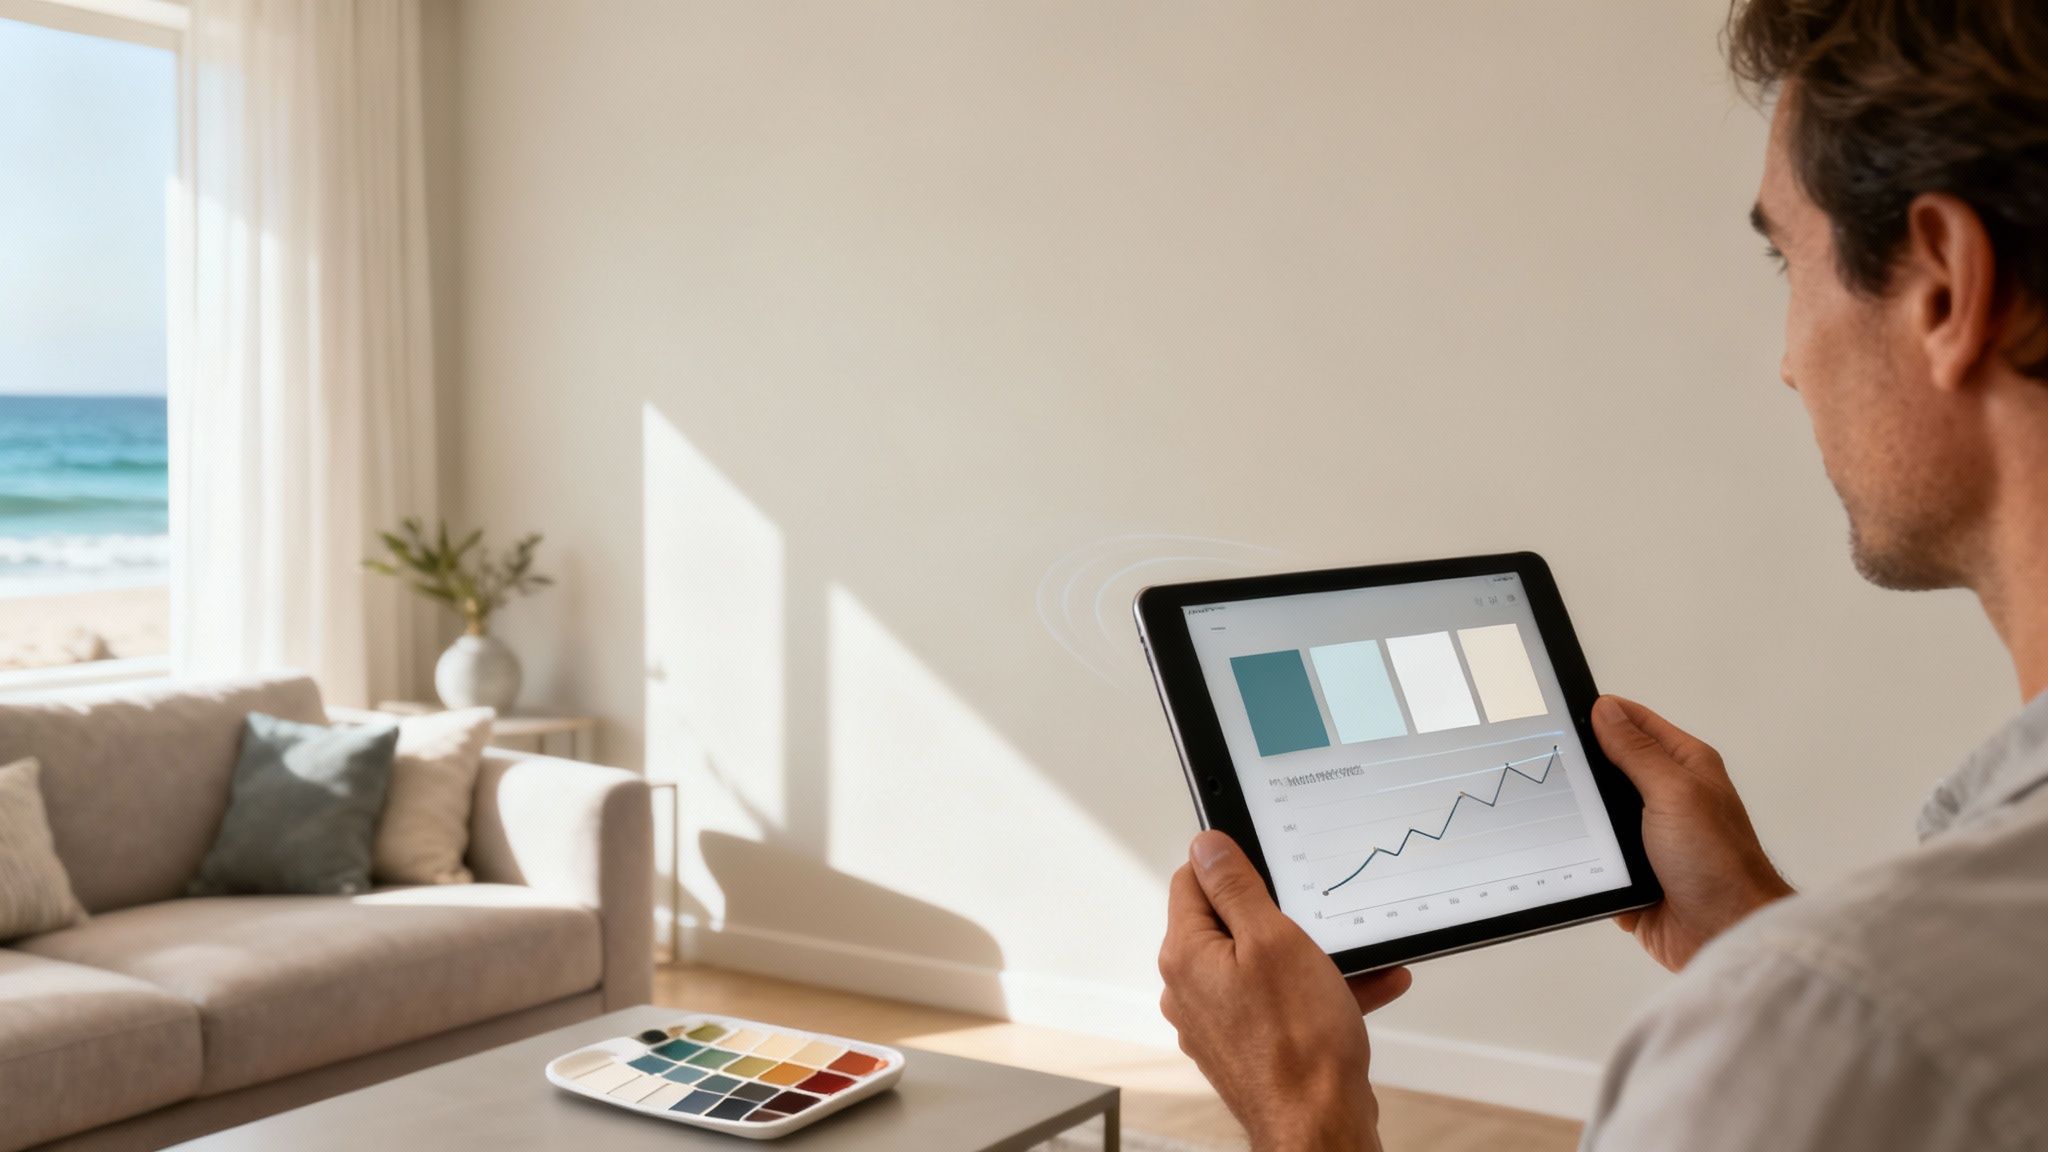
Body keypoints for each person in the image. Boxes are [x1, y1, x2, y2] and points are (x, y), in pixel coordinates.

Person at [1157, 1, 2048, 1148]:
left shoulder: (1839, 1026)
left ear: (1943, 285)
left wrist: (1303, 1110)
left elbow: (1874, 1040)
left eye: (1787, 258)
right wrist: (1751, 935)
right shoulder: (1864, 1002)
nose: (1785, 364)